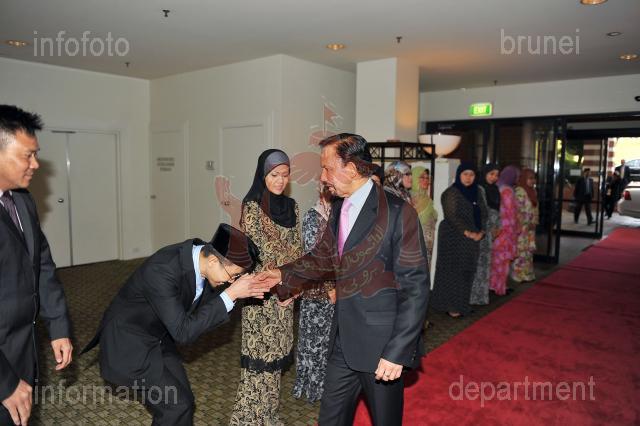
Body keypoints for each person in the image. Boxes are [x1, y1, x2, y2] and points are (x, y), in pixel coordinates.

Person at [257, 133, 429, 426]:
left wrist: (397, 352)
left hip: (381, 347)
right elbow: (324, 256)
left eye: (327, 168)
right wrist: (283, 273)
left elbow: (415, 288)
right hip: (343, 340)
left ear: (350, 168)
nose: (323, 177)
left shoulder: (399, 213)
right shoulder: (340, 206)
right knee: (330, 419)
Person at [81, 224, 269, 425]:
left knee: (184, 403)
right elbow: (183, 332)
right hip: (128, 344)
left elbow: (204, 311)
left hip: (159, 336)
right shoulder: (162, 270)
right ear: (213, 260)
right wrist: (231, 294)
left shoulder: (202, 260)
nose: (232, 282)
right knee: (176, 407)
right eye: (233, 276)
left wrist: (237, 291)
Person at [0, 105, 73, 426]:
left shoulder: (22, 199)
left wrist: (58, 327)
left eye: (36, 154)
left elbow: (41, 266)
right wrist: (5, 383)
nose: (36, 164)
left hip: (22, 350)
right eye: (27, 156)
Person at [230, 149, 303, 425]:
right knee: (258, 364)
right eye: (274, 175)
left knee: (275, 362)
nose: (280, 180)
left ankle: (268, 417)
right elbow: (264, 254)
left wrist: (292, 286)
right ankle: (247, 420)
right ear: (263, 175)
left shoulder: (293, 207)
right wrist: (287, 278)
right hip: (261, 294)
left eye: (285, 175)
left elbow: (299, 252)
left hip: (285, 294)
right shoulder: (252, 207)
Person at [292, 185, 336, 403]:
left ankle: (324, 386)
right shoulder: (313, 216)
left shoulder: (337, 214)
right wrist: (330, 287)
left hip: (337, 288)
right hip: (316, 290)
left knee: (328, 342)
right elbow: (314, 257)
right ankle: (311, 387)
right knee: (313, 342)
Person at [431, 163, 487, 317]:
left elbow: (484, 213)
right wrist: (468, 233)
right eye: (465, 174)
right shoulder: (451, 193)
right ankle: (451, 306)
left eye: (472, 175)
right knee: (453, 271)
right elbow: (451, 216)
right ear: (458, 175)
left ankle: (462, 304)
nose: (468, 178)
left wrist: (481, 232)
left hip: (472, 236)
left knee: (467, 270)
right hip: (453, 236)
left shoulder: (477, 192)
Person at [470, 164, 500, 306]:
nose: (494, 177)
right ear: (485, 173)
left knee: (485, 264)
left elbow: (496, 211)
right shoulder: (479, 189)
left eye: (496, 175)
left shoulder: (494, 189)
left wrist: (496, 226)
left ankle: (481, 296)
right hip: (480, 229)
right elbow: (481, 211)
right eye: (491, 174)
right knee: (477, 263)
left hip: (489, 232)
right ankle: (473, 296)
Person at [490, 165, 519, 296]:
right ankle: (500, 287)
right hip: (506, 231)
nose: (517, 179)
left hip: (497, 229)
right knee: (503, 261)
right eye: (516, 176)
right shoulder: (508, 191)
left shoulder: (496, 187)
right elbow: (511, 213)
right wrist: (515, 229)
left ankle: (493, 285)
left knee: (495, 261)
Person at [512, 168, 539, 283]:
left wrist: (534, 222)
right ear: (524, 178)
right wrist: (525, 224)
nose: (533, 181)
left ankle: (527, 274)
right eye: (530, 178)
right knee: (521, 251)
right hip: (521, 227)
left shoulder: (533, 191)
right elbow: (517, 211)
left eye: (534, 178)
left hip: (530, 227)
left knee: (528, 252)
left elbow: (535, 209)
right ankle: (518, 275)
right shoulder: (519, 191)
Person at [411, 167, 437, 265]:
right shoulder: (408, 199)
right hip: (413, 246)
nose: (426, 180)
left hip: (428, 247)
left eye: (427, 178)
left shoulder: (428, 200)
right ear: (414, 178)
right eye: (422, 177)